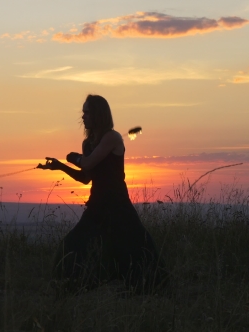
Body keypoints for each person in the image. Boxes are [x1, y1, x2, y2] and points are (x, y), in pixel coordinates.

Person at [37, 94, 168, 294]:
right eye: (83, 113)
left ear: (98, 114)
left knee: (136, 248)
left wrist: (73, 157)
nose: (83, 117)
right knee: (72, 244)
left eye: (87, 112)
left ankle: (150, 288)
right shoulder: (88, 143)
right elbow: (85, 178)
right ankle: (70, 285)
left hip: (117, 205)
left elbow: (88, 163)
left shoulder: (112, 138)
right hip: (97, 205)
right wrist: (59, 166)